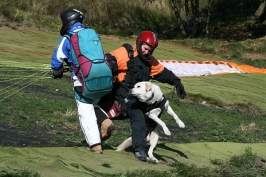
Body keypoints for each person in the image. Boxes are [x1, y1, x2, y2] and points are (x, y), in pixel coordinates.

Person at [96, 30, 186, 161]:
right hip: (115, 98)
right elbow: (106, 63)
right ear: (139, 42)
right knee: (95, 114)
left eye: (150, 50)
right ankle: (93, 142)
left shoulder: (150, 61)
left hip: (134, 102)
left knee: (140, 120)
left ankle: (139, 150)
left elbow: (163, 73)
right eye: (145, 49)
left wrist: (177, 82)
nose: (147, 52)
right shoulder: (125, 53)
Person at [50, 8, 114, 154]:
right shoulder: (93, 34)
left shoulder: (67, 38)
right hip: (102, 76)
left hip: (82, 80)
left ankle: (95, 145)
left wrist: (57, 73)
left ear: (67, 20)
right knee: (93, 104)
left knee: (85, 111)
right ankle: (105, 121)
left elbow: (56, 61)